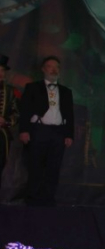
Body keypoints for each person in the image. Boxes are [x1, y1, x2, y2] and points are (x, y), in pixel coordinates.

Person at [19, 56, 73, 206]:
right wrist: (24, 130)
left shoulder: (66, 91)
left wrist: (69, 134)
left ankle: (48, 198)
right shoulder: (33, 87)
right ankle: (32, 199)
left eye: (57, 67)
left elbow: (69, 114)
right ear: (43, 69)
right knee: (35, 165)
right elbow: (25, 110)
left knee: (54, 166)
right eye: (50, 66)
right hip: (38, 130)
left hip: (58, 132)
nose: (54, 70)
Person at [0, 54, 19, 188]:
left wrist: (5, 121)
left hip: (2, 135)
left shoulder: (11, 91)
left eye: (2, 70)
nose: (0, 73)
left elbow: (16, 113)